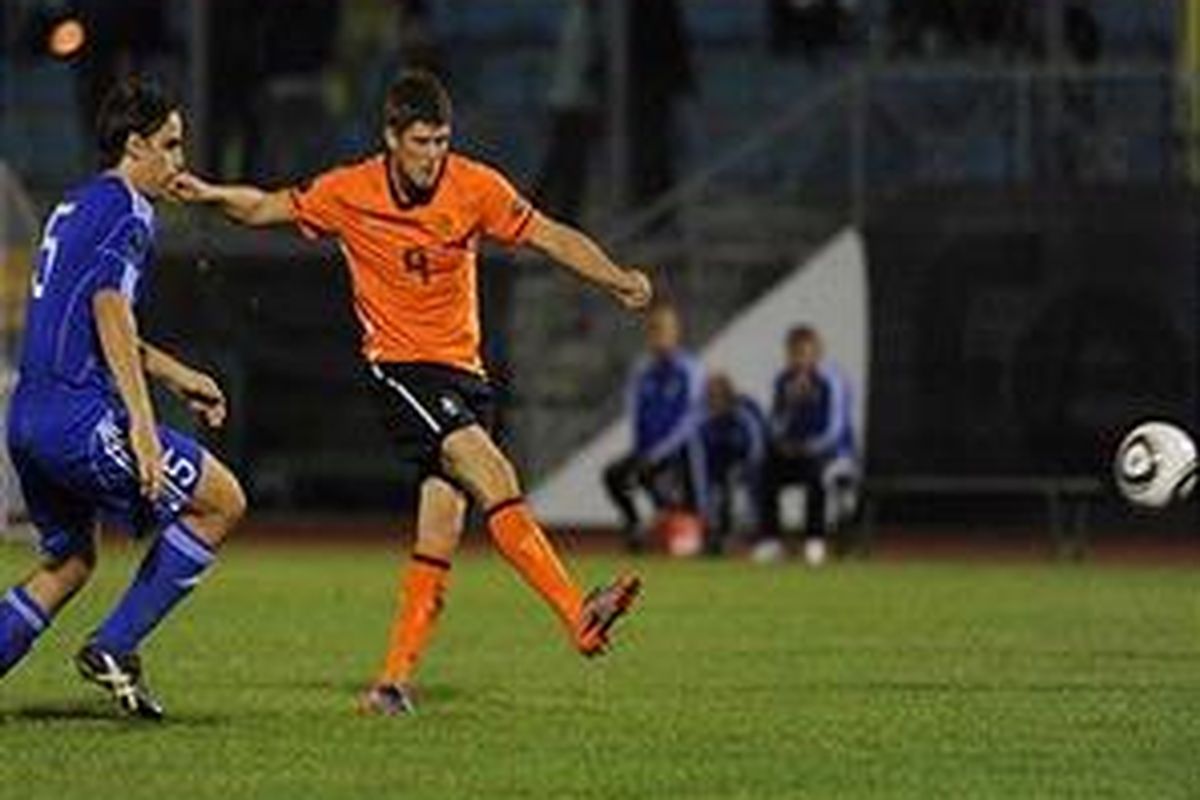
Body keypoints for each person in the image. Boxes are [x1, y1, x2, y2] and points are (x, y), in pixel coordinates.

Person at [170, 69, 652, 716]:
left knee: (442, 525)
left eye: (442, 141)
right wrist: (206, 192)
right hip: (401, 370)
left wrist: (616, 278)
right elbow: (265, 206)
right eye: (421, 142)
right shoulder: (351, 190)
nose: (433, 155)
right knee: (493, 470)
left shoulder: (475, 186)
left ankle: (390, 684)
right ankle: (576, 615)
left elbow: (550, 234)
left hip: (463, 373)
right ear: (391, 137)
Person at [0, 77, 247, 720]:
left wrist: (175, 374)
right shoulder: (130, 209)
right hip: (77, 421)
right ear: (135, 145)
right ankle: (113, 646)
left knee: (72, 561)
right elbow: (111, 311)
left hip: (26, 420)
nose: (179, 162)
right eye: (170, 145)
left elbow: (95, 319)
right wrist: (142, 424)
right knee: (221, 501)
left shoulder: (77, 204)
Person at [603, 303, 706, 552]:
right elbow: (635, 411)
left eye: (664, 329)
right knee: (614, 475)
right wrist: (642, 449)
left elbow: (690, 420)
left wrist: (659, 452)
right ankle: (635, 527)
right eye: (654, 329)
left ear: (675, 332)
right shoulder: (642, 369)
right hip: (647, 450)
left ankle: (691, 532)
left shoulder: (689, 368)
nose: (658, 334)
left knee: (674, 497)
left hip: (678, 451)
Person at [755, 325, 857, 565]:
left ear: (816, 354)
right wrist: (790, 407)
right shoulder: (784, 381)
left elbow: (835, 428)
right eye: (793, 353)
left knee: (817, 472)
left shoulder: (831, 382)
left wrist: (809, 447)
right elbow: (775, 425)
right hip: (795, 453)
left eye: (803, 353)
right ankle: (771, 540)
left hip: (835, 456)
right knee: (766, 468)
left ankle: (815, 539)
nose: (798, 359)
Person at [700, 372, 767, 555]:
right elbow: (703, 454)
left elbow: (757, 448)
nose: (713, 401)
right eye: (710, 397)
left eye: (717, 396)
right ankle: (716, 536)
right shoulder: (705, 418)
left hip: (749, 466)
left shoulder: (743, 414)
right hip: (721, 467)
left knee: (740, 495)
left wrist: (746, 471)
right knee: (713, 493)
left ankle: (750, 538)